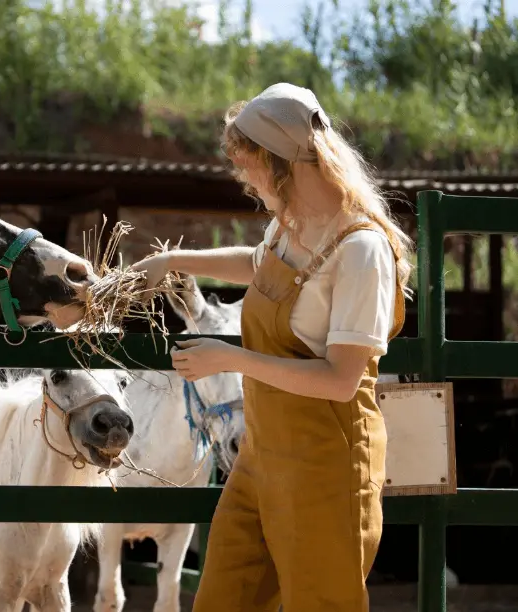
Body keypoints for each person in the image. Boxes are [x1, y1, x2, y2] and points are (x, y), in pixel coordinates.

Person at [130, 82, 411, 612]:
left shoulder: (361, 251)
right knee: (221, 600)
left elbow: (340, 379)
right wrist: (175, 262)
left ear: (282, 164)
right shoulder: (293, 228)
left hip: (325, 471)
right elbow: (257, 266)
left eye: (249, 166)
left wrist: (230, 358)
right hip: (261, 458)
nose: (245, 180)